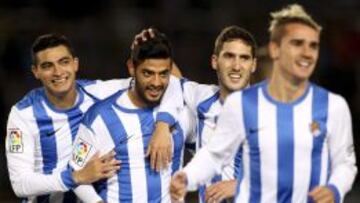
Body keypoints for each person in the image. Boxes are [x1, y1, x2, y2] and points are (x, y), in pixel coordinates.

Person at [170, 4, 357, 203]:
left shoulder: (332, 106)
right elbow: (214, 155)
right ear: (276, 50)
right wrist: (187, 177)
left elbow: (343, 164)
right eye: (296, 44)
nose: (306, 53)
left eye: (313, 45)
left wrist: (335, 189)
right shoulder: (241, 105)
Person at [5, 33, 178, 203]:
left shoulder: (99, 93)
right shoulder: (23, 115)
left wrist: (153, 48)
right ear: (36, 71)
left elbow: (170, 83)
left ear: (75, 64)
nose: (58, 72)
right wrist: (76, 177)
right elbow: (20, 184)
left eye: (64, 62)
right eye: (47, 66)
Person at [69, 29, 194, 202]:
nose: (156, 83)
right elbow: (75, 170)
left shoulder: (181, 111)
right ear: (131, 68)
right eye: (147, 73)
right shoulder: (101, 117)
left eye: (163, 74)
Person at [142, 25, 257, 203]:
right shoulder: (204, 97)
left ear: (253, 65)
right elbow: (175, 81)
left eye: (244, 58)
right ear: (214, 61)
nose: (236, 66)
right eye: (229, 56)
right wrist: (162, 126)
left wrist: (239, 185)